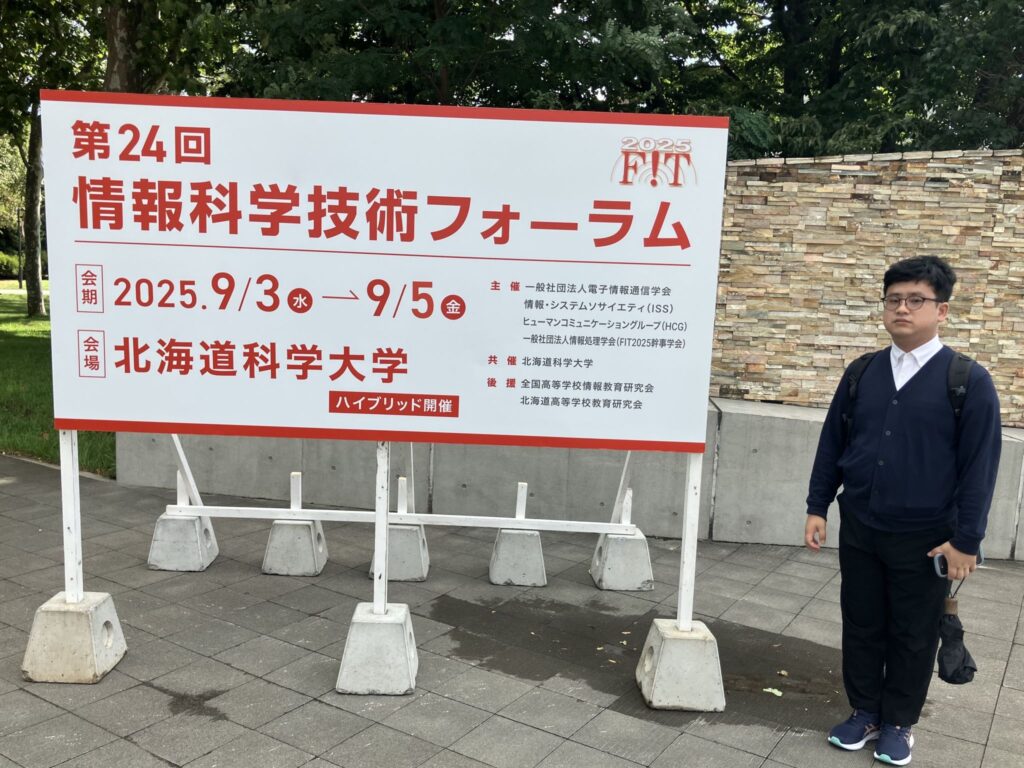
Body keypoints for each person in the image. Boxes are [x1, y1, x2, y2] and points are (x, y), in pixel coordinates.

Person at [803, 255, 1002, 766]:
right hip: (861, 525)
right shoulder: (862, 372)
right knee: (861, 622)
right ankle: (864, 711)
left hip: (926, 536)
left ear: (942, 311)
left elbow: (980, 467)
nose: (903, 309)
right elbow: (833, 443)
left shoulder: (967, 381)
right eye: (894, 299)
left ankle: (898, 722)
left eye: (916, 300)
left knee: (913, 633)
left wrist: (967, 541)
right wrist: (818, 504)